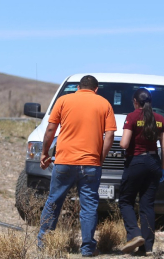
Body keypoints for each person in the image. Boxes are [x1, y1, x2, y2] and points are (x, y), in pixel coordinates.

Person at [37, 75, 116, 257]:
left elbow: (50, 129)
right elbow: (109, 136)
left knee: (54, 201)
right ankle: (88, 248)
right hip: (90, 164)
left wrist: (45, 153)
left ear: (78, 87)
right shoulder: (104, 104)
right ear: (96, 89)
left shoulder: (64, 100)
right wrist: (100, 159)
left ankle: (43, 243)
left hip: (64, 161)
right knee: (89, 207)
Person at [119, 88, 164, 255]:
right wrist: (163, 168)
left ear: (135, 102)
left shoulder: (132, 117)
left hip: (136, 162)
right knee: (147, 205)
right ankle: (147, 248)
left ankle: (134, 234)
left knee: (126, 200)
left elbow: (125, 144)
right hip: (154, 163)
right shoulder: (160, 119)